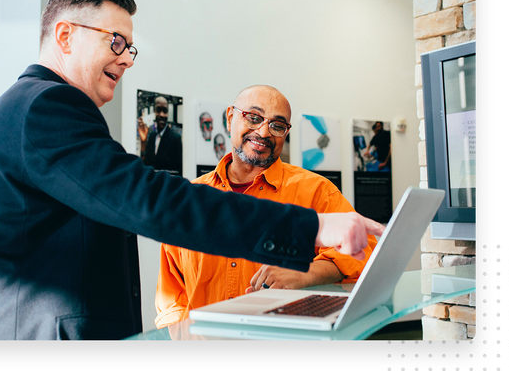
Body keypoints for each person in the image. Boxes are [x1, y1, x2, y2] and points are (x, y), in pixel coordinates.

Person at [0, 0, 385, 340]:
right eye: (115, 41)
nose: (125, 57)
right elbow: (146, 200)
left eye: (130, 48)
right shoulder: (47, 106)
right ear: (65, 35)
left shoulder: (36, 107)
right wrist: (312, 227)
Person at [155, 85, 378, 329]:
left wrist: (305, 273)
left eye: (277, 125)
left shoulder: (316, 191)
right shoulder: (190, 199)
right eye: (253, 117)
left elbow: (365, 249)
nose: (263, 132)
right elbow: (171, 297)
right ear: (230, 118)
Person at [138, 95, 183, 175]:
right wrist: (143, 141)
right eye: (158, 110)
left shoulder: (175, 139)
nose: (162, 115)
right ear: (154, 112)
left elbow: (178, 171)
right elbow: (146, 165)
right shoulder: (152, 136)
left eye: (165, 111)